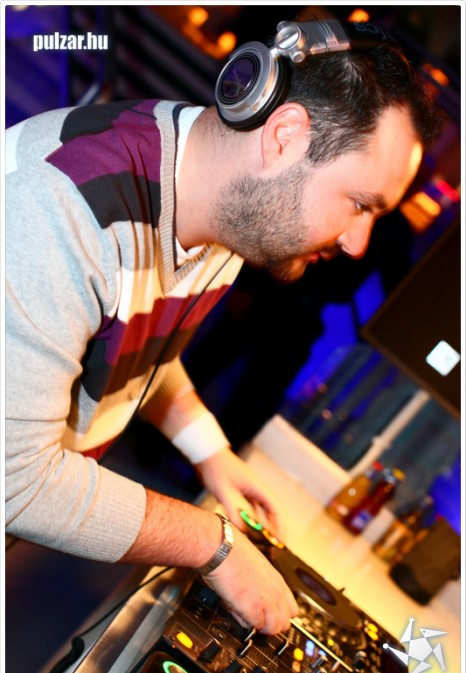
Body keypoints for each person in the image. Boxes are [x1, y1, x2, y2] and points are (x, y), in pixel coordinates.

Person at [5, 19, 444, 635]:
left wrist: (210, 452)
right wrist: (215, 545)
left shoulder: (219, 208)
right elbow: (14, 480)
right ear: (285, 136)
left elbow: (130, 337)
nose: (357, 243)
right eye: (359, 204)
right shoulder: (56, 209)